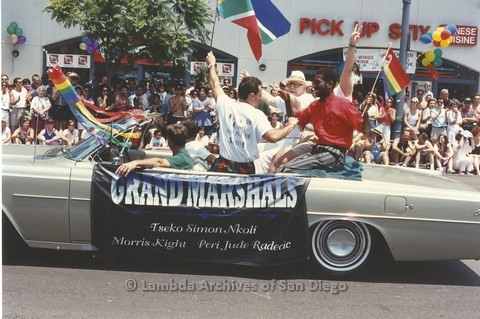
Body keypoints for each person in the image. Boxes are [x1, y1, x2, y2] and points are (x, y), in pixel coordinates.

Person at [206, 51, 299, 174]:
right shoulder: (256, 114)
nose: (261, 98)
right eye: (260, 95)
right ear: (252, 96)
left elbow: (214, 84)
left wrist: (211, 64)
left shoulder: (225, 103)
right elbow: (273, 137)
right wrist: (291, 124)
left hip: (222, 166)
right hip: (244, 169)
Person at [276, 68, 371, 173]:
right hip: (317, 150)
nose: (313, 86)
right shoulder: (314, 105)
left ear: (330, 84)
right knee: (283, 167)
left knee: (287, 169)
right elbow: (295, 118)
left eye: (317, 83)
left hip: (334, 155)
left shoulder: (344, 105)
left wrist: (365, 113)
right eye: (313, 82)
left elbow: (365, 131)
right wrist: (287, 101)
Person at [115, 122, 194, 176]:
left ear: (169, 141)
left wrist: (134, 163)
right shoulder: (185, 155)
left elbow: (159, 162)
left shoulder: (182, 158)